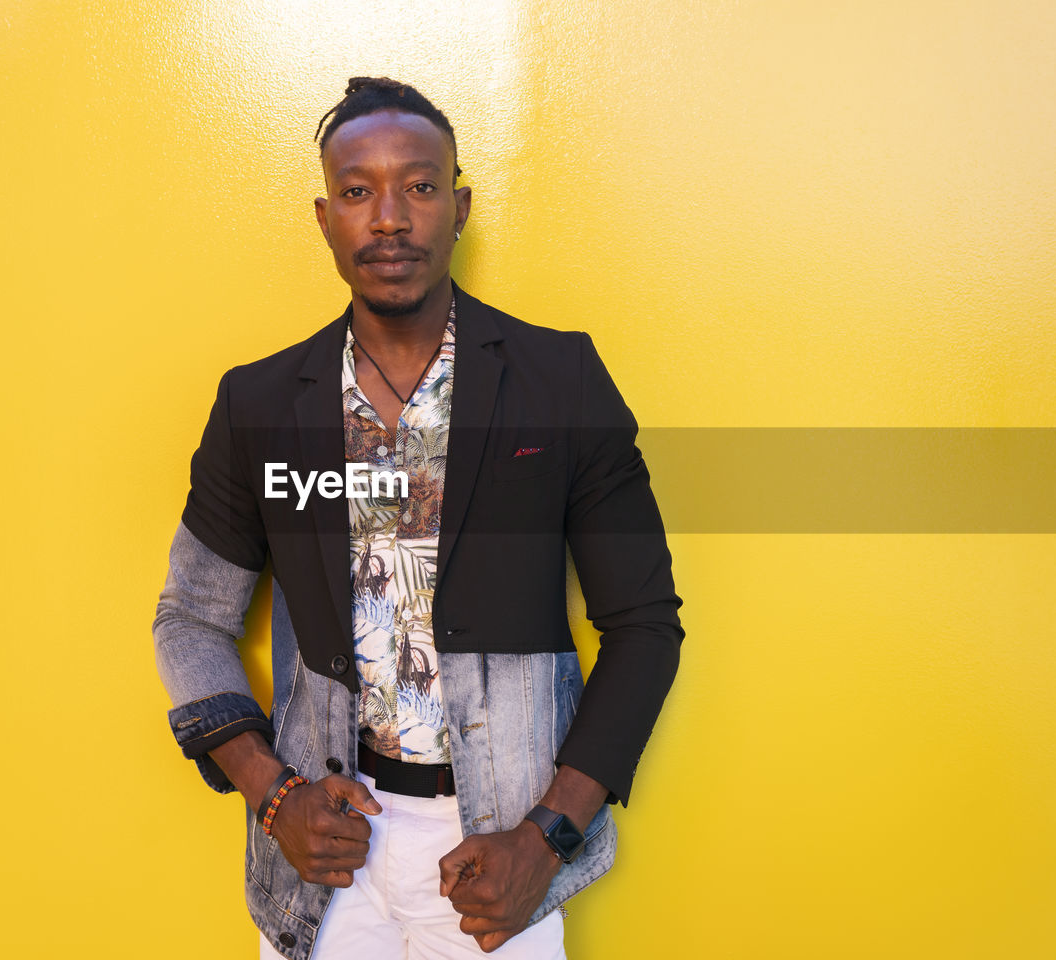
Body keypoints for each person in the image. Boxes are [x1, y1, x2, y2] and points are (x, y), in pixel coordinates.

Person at [153, 77, 684, 959]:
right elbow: (191, 617)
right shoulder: (261, 406)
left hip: (499, 853)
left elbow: (643, 626)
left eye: (420, 186)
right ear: (326, 218)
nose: (389, 217)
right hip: (323, 852)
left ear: (460, 206)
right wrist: (272, 797)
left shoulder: (559, 384)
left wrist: (547, 836)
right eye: (358, 191)